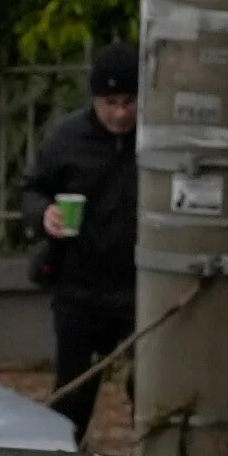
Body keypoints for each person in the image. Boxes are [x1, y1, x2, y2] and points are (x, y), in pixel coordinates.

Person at [16, 38, 144, 425]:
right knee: (73, 392)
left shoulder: (157, 141)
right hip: (81, 288)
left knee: (152, 386)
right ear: (94, 100)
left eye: (128, 102)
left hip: (142, 287)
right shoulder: (67, 139)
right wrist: (44, 215)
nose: (120, 114)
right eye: (110, 104)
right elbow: (31, 190)